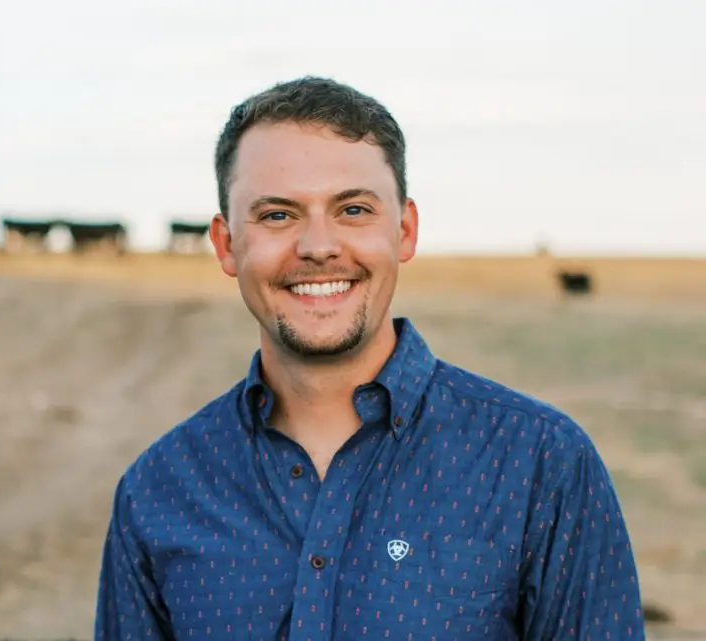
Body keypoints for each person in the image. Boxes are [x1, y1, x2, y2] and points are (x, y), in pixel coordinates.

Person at [94, 76, 645, 640]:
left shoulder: (542, 464)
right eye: (278, 215)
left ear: (404, 231)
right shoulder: (158, 489)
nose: (318, 247)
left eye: (353, 210)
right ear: (227, 244)